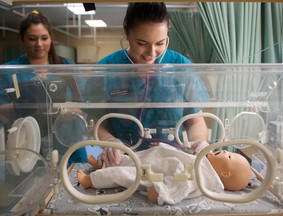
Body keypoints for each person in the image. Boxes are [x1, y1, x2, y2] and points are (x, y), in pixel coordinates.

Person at [83, 2, 210, 167]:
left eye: (160, 43)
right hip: (124, 162)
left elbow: (195, 121)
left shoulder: (180, 67)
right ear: (127, 34)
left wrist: (199, 144)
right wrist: (111, 142)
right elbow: (96, 123)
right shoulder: (106, 70)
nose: (151, 54)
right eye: (142, 43)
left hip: (171, 162)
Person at [0, 10, 87, 164]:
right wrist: (26, 105)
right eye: (32, 39)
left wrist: (61, 110)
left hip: (69, 145)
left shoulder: (66, 68)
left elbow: (85, 105)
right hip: (28, 149)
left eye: (44, 38)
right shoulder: (10, 71)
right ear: (22, 39)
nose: (39, 44)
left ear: (51, 38)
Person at [76, 141, 252, 205]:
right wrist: (196, 144)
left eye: (229, 155)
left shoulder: (205, 178)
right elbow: (201, 145)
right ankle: (102, 167)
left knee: (123, 174)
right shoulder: (206, 160)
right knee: (129, 158)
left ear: (225, 174)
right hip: (154, 159)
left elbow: (182, 185)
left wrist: (161, 192)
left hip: (153, 174)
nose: (224, 151)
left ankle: (91, 181)